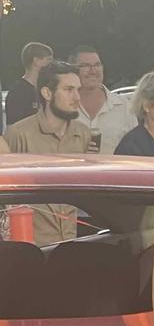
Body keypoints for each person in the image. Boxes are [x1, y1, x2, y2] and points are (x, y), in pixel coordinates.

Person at [4, 61, 91, 246]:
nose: (77, 97)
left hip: (71, 242)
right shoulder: (19, 134)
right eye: (68, 89)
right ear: (47, 93)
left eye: (78, 89)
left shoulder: (83, 134)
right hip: (30, 246)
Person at [69, 45, 137, 153]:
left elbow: (135, 150)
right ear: (72, 70)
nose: (93, 71)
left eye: (97, 65)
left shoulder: (124, 107)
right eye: (85, 66)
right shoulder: (63, 107)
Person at [5, 42, 54, 126]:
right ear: (36, 60)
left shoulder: (45, 89)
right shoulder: (17, 92)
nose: (52, 64)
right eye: (48, 59)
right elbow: (13, 127)